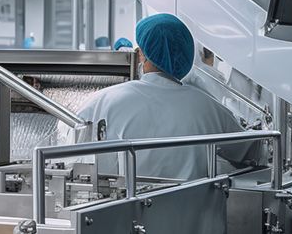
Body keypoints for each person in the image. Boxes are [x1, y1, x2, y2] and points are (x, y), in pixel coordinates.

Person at [76, 13, 252, 181]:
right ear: (186, 56)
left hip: (126, 208)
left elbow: (74, 150)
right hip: (193, 209)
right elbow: (249, 152)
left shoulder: (104, 101)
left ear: (141, 56)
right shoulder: (209, 108)